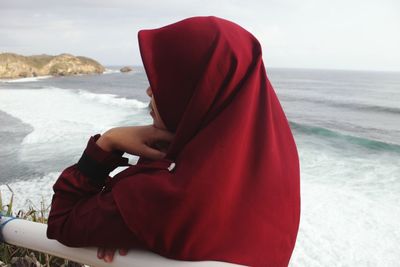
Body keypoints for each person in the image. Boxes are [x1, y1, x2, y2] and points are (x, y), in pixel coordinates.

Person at [46, 16, 301, 267]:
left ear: (196, 90)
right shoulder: (280, 169)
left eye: (165, 81)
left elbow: (61, 221)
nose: (149, 90)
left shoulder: (164, 197)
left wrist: (108, 143)